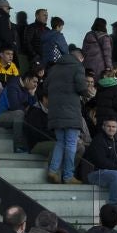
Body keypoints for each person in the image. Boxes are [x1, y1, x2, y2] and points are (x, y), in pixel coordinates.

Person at [42, 43, 89, 185]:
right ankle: (68, 176)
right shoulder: (78, 67)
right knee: (71, 143)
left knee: (60, 142)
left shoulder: (54, 68)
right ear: (80, 58)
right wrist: (89, 92)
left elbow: (45, 86)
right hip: (70, 112)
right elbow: (81, 88)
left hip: (55, 112)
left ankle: (53, 170)